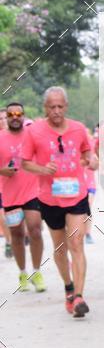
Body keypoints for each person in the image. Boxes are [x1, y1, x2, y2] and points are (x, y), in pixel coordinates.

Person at [22, 87, 94, 318]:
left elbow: (87, 153)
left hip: (76, 194)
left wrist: (91, 160)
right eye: (52, 107)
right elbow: (24, 162)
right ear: (45, 107)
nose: (56, 111)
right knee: (60, 248)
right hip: (49, 198)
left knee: (76, 243)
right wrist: (43, 169)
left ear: (66, 106)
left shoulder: (78, 128)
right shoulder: (34, 131)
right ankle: (69, 288)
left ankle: (80, 297)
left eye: (60, 106)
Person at [0, 102, 45, 291]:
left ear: (23, 116)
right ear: (7, 118)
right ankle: (23, 273)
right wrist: (2, 170)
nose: (15, 117)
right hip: (10, 195)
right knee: (17, 234)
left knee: (35, 229)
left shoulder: (32, 135)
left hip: (33, 191)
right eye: (11, 114)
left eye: (18, 114)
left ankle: (37, 272)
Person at [0, 106, 13, 258]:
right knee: (2, 215)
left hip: (14, 184)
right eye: (0, 119)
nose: (3, 121)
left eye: (5, 118)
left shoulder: (17, 135)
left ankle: (16, 238)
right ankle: (9, 241)